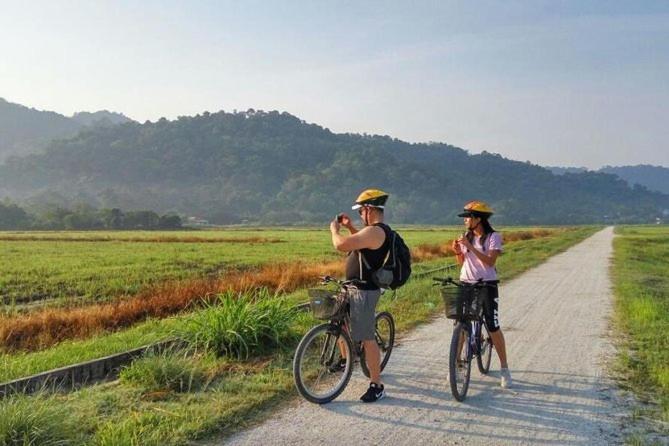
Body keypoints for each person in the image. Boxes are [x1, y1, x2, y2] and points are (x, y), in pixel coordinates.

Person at [330, 188, 391, 402]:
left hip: (364, 291)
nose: (359, 215)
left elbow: (342, 245)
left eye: (360, 212)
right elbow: (360, 243)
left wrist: (334, 230)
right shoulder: (371, 232)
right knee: (338, 322)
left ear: (368, 209)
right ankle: (346, 360)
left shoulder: (377, 231)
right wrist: (349, 227)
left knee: (366, 337)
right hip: (351, 287)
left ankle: (377, 384)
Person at [451, 200, 512, 388]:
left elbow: (490, 262)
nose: (465, 221)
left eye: (468, 218)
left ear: (478, 219)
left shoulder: (493, 237)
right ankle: (456, 366)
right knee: (460, 324)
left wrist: (470, 246)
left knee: (492, 325)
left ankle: (504, 368)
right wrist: (457, 252)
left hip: (487, 285)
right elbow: (463, 263)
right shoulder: (466, 237)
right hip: (466, 283)